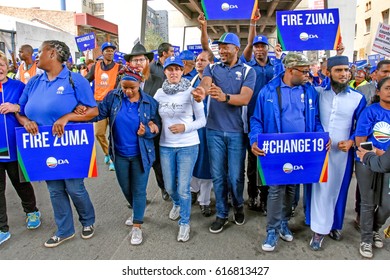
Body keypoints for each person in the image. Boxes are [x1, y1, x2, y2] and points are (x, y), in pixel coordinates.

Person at [17, 40, 98, 248]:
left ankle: (87, 221)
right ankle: (65, 230)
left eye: (40, 51)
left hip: (69, 144)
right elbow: (21, 109)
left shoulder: (74, 80)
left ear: (52, 53)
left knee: (74, 187)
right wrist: (27, 122)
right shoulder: (34, 82)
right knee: (54, 189)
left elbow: (93, 110)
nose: (37, 55)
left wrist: (68, 117)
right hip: (42, 146)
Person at [249, 52, 323, 252]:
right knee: (276, 190)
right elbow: (257, 120)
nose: (308, 75)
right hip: (276, 150)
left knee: (292, 189)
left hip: (300, 149)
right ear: (290, 70)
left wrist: (321, 136)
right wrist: (254, 140)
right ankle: (271, 230)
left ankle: (284, 222)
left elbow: (314, 120)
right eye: (304, 71)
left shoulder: (309, 92)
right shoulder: (268, 91)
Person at [192, 32, 256, 234]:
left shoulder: (248, 71)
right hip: (214, 131)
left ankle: (238, 205)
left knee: (236, 176)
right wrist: (201, 92)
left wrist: (225, 96)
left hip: (237, 132)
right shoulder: (212, 67)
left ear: (236, 49)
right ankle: (221, 213)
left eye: (226, 47)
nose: (222, 51)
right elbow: (205, 83)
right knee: (218, 175)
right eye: (219, 47)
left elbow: (245, 98)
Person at [91, 70, 160, 245]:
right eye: (124, 87)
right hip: (119, 154)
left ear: (140, 84)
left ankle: (137, 226)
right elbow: (99, 114)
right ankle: (138, 210)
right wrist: (81, 112)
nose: (128, 91)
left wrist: (148, 132)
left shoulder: (149, 102)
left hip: (141, 154)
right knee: (125, 188)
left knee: (138, 190)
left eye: (132, 88)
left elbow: (156, 128)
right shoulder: (113, 97)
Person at [306, 56, 366, 251]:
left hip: (342, 153)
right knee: (319, 190)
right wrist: (319, 135)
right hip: (319, 151)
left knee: (338, 190)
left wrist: (351, 141)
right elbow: (313, 117)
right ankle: (318, 229)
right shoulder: (318, 93)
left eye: (346, 70)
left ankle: (334, 225)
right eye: (338, 70)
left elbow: (362, 126)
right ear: (328, 72)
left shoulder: (357, 98)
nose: (344, 74)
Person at [154, 56, 206, 242]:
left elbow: (202, 120)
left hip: (188, 145)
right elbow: (152, 115)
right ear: (165, 72)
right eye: (170, 69)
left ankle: (185, 223)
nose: (174, 72)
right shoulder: (159, 93)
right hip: (166, 146)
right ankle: (176, 204)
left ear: (182, 71)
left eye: (177, 69)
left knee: (183, 187)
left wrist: (185, 127)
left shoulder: (192, 92)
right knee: (169, 186)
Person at [240, 9, 283, 214]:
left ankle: (266, 198)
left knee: (268, 161)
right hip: (251, 120)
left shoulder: (277, 67)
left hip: (272, 122)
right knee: (252, 160)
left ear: (267, 49)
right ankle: (252, 196)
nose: (259, 50)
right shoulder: (248, 67)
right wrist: (253, 24)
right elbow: (247, 48)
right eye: (256, 46)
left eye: (262, 46)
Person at [0, 51, 41, 246]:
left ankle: (32, 211)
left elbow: (31, 108)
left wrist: (15, 107)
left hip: (15, 145)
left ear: (7, 66)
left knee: (21, 183)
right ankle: (2, 227)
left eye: (1, 63)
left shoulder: (18, 86)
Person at [123, 43, 169, 201]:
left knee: (157, 163)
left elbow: (163, 105)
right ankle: (138, 196)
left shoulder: (159, 80)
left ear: (147, 61)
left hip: (152, 130)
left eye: (141, 60)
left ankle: (164, 187)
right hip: (130, 133)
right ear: (130, 63)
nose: (138, 63)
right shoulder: (123, 82)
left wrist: (151, 123)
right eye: (135, 60)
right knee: (135, 166)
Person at [355, 76, 390, 258]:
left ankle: (376, 228)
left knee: (386, 204)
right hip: (367, 161)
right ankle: (366, 239)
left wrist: (384, 156)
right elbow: (360, 140)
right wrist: (375, 154)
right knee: (368, 202)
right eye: (387, 88)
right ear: (378, 91)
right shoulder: (370, 112)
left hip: (388, 165)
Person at [85, 42, 121, 172]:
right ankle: (107, 152)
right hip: (98, 104)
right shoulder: (96, 66)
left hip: (113, 103)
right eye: (107, 50)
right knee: (99, 133)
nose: (110, 52)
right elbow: (86, 80)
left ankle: (112, 158)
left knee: (113, 133)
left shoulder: (119, 67)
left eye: (112, 51)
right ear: (102, 53)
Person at [190, 50, 214, 217]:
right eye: (197, 60)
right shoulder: (188, 82)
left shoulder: (216, 84)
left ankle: (204, 201)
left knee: (207, 165)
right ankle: (192, 190)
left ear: (210, 64)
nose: (199, 63)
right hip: (192, 130)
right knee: (192, 161)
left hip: (211, 130)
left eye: (203, 60)